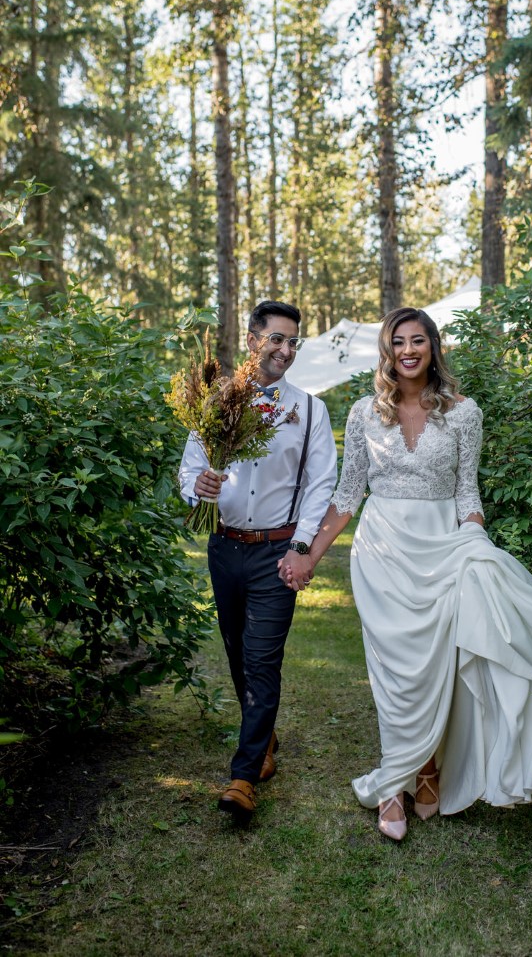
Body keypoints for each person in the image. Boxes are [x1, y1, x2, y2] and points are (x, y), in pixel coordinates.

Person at [280, 306, 532, 841]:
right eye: (398, 342)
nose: (408, 350)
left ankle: (430, 769)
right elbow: (348, 495)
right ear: (387, 352)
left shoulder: (463, 413)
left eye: (418, 340)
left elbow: (467, 491)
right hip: (382, 551)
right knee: (394, 673)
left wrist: (475, 538)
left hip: (443, 547)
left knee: (436, 668)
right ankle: (394, 782)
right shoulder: (366, 412)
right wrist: (309, 554)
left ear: (434, 346)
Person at [179, 301, 337, 823]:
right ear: (252, 341)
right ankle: (264, 739)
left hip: (276, 551)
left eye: (294, 342)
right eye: (276, 339)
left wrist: (302, 547)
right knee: (236, 654)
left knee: (262, 659)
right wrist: (195, 488)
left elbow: (320, 486)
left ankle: (244, 776)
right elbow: (190, 469)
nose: (286, 350)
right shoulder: (216, 402)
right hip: (223, 547)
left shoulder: (310, 410)